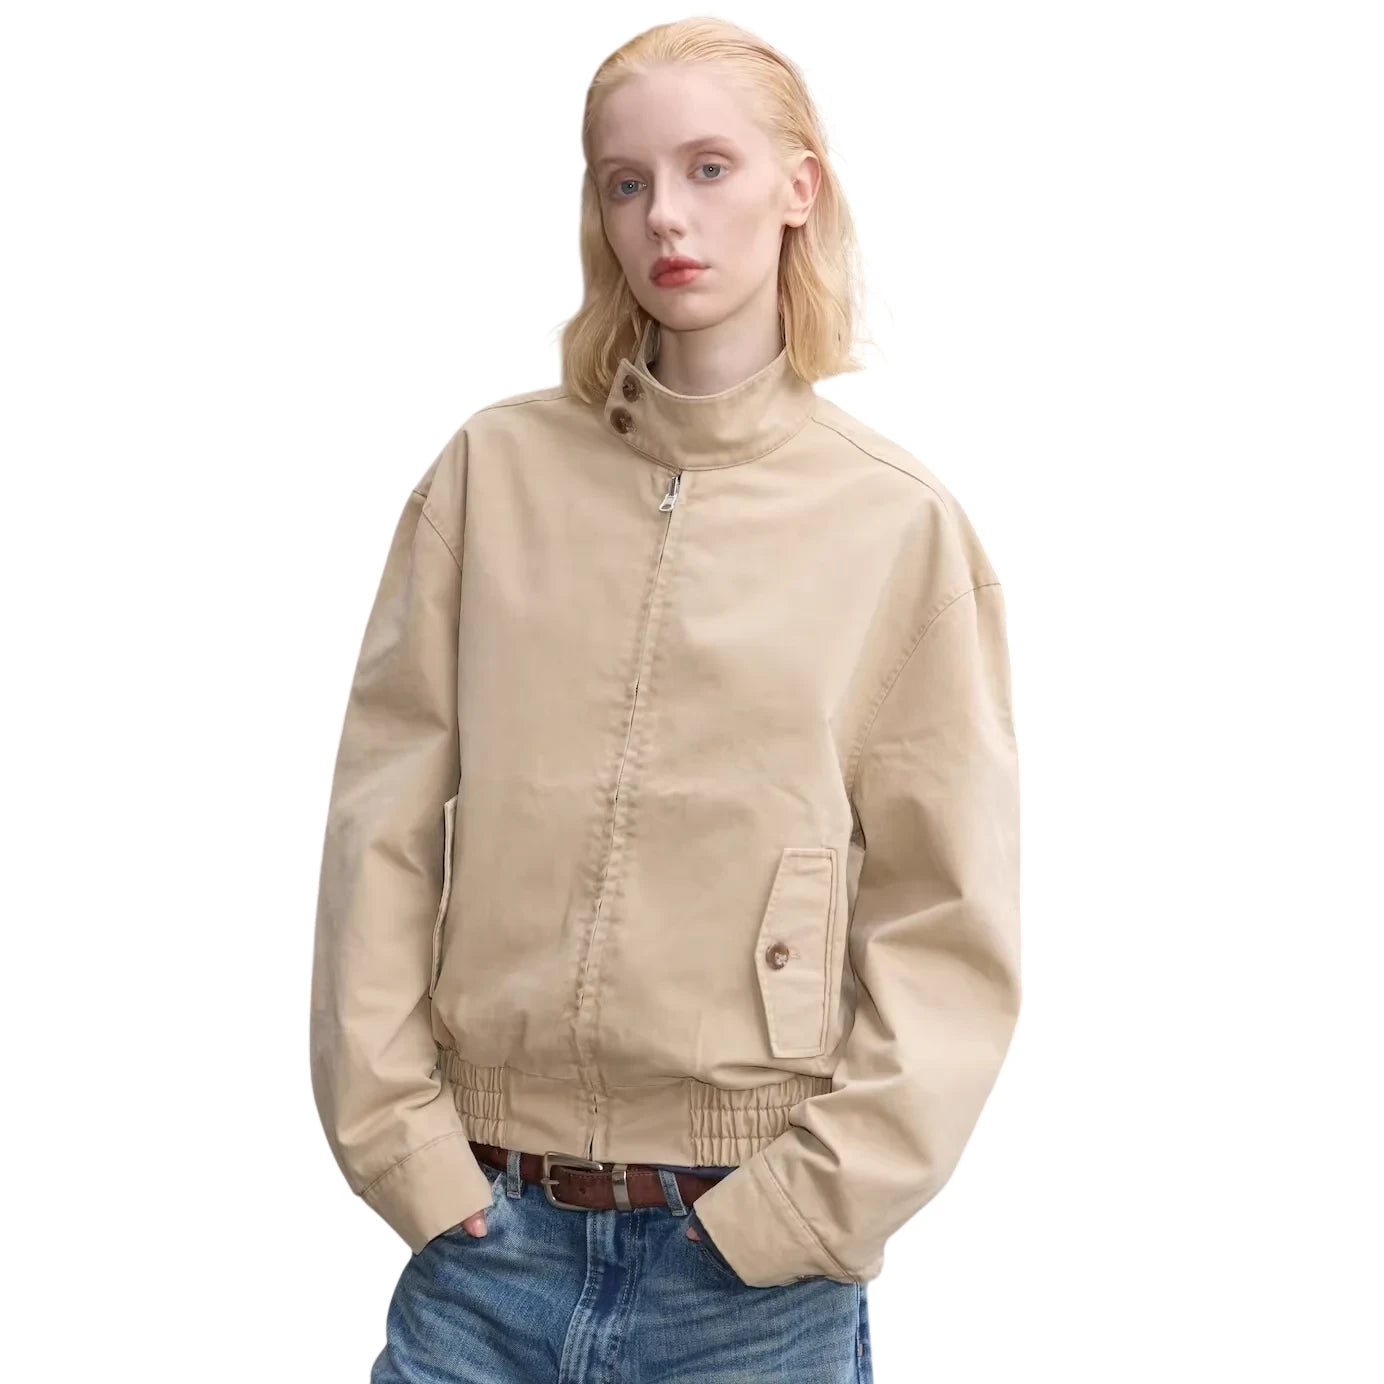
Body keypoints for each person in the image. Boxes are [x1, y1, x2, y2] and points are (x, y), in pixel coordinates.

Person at [309, 16, 1021, 1382]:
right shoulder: (492, 476)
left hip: (749, 1273)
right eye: (625, 181)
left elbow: (949, 917)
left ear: (798, 188)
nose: (665, 218)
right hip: (488, 1239)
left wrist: (809, 1206)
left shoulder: (896, 527)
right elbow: (379, 827)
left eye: (708, 168)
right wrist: (400, 1141)